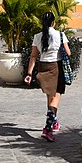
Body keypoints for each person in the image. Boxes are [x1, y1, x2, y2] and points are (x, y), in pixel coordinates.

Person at [25, 11, 71, 142]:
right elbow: (68, 52)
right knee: (55, 99)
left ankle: (54, 122)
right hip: (56, 68)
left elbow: (33, 56)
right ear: (53, 22)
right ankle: (47, 128)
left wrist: (29, 74)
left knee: (49, 98)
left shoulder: (37, 36)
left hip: (42, 67)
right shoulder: (60, 35)